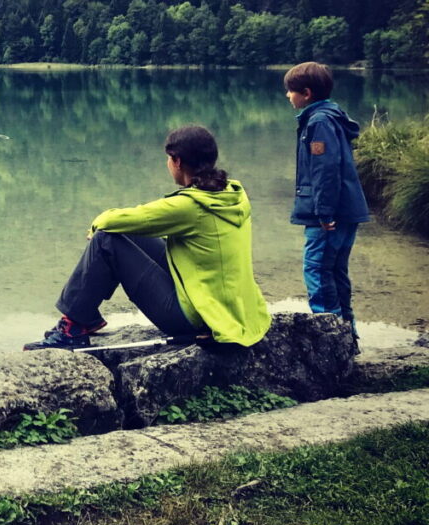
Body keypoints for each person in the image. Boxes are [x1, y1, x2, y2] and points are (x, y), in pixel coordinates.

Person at [25, 125, 270, 350]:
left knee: (106, 239)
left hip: (193, 316)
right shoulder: (230, 193)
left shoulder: (190, 207)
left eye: (168, 159)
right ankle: (83, 317)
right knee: (127, 231)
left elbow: (110, 220)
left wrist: (96, 226)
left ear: (177, 161)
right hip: (224, 306)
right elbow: (137, 222)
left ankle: (73, 328)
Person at [283, 61, 369, 331]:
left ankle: (329, 336)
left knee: (318, 271)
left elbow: (325, 170)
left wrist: (324, 211)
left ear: (306, 93)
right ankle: (347, 334)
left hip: (330, 215)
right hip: (345, 210)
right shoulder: (330, 116)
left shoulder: (319, 122)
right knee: (335, 272)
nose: (288, 96)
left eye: (291, 91)